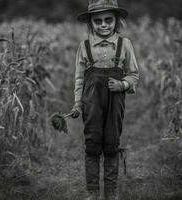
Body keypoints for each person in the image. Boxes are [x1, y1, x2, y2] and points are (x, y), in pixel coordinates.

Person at [70, 0, 139, 199]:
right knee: (92, 143)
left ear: (116, 21)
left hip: (115, 101)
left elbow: (134, 74)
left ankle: (111, 191)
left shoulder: (124, 45)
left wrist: (122, 84)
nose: (103, 24)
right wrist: (77, 103)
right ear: (90, 23)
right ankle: (92, 192)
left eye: (108, 20)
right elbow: (79, 79)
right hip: (91, 102)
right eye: (97, 20)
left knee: (111, 144)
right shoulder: (84, 47)